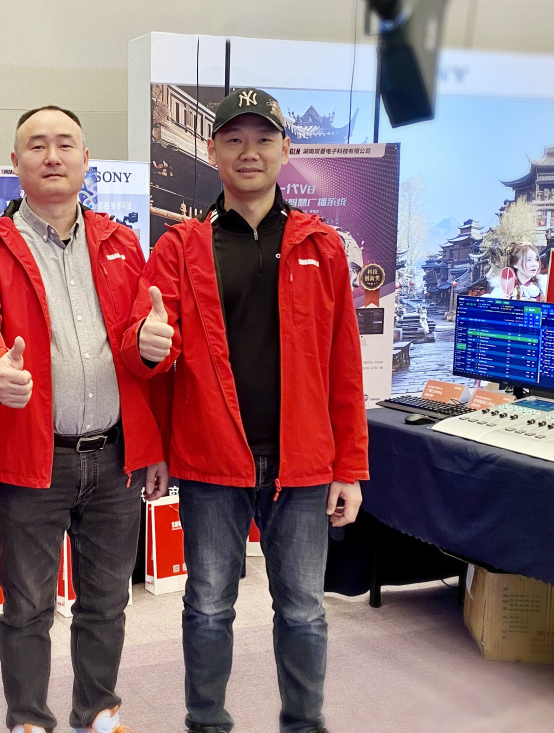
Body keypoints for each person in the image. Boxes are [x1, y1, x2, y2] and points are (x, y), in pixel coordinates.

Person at [119, 87, 368, 733]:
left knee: (304, 610)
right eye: (234, 139)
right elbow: (144, 348)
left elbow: (344, 366)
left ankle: (304, 724)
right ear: (213, 151)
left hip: (303, 464)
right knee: (207, 607)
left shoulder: (323, 246)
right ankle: (206, 723)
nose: (248, 152)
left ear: (286, 150)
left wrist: (350, 467)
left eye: (262, 139)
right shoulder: (181, 247)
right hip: (211, 460)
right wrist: (147, 344)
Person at [0, 105, 170, 733]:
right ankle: (28, 719)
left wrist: (152, 347)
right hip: (32, 456)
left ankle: (97, 709)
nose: (52, 156)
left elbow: (137, 339)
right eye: (37, 145)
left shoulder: (122, 242)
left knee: (108, 599)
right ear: (14, 162)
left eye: (65, 144)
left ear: (85, 159)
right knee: (27, 605)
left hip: (116, 455)